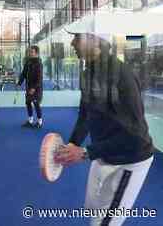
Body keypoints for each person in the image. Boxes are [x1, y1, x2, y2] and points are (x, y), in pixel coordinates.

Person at [54, 32, 155, 226]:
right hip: (105, 154)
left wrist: (85, 153)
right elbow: (85, 115)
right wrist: (72, 146)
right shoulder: (87, 73)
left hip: (131, 159)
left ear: (95, 40)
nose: (72, 43)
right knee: (92, 208)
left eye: (78, 37)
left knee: (104, 222)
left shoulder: (122, 75)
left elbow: (134, 135)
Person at [18, 45, 43, 129]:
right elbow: (24, 73)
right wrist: (19, 83)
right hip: (28, 87)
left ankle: (39, 122)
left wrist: (34, 88)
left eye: (32, 52)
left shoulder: (39, 63)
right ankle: (30, 121)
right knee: (28, 103)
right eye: (30, 52)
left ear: (36, 53)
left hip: (36, 88)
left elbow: (39, 78)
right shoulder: (28, 62)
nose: (30, 53)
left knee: (36, 104)